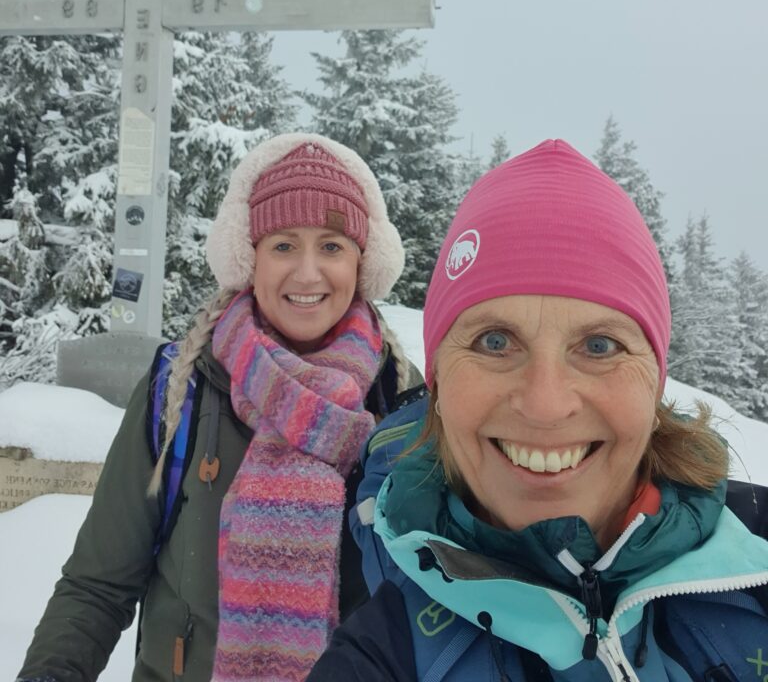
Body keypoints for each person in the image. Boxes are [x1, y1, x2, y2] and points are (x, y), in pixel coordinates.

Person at [308, 139, 768, 681]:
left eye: (599, 346)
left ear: (656, 378)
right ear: (437, 383)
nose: (546, 406)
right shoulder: (383, 654)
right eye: (496, 342)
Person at [18, 133, 422, 682]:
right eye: (282, 244)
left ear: (362, 261)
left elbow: (431, 606)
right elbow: (99, 583)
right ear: (247, 256)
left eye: (331, 246)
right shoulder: (182, 387)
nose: (307, 273)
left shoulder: (400, 399)